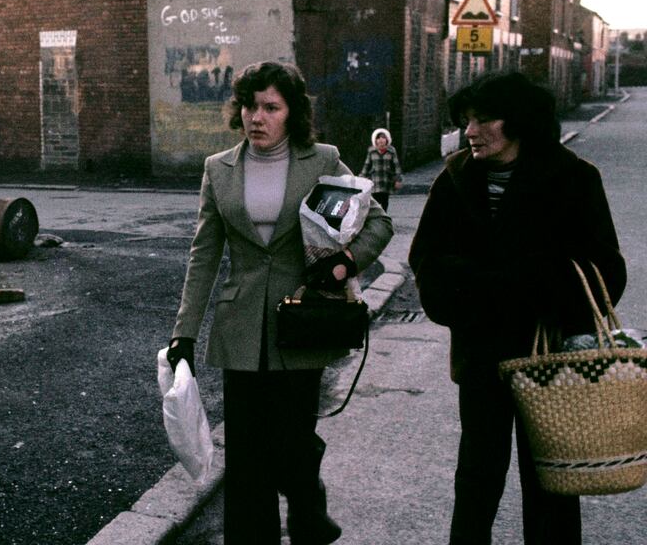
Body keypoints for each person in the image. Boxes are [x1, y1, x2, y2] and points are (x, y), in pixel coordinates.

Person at [167, 61, 393, 543]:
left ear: (292, 113)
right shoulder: (219, 169)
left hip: (303, 323)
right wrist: (183, 331)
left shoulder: (324, 161)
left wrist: (343, 264)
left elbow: (378, 223)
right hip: (240, 328)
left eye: (271, 107)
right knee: (247, 458)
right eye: (250, 105)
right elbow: (204, 254)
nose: (258, 116)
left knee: (292, 444)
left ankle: (308, 510)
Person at [408, 71, 625, 544]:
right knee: (476, 481)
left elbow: (608, 270)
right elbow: (425, 260)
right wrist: (470, 294)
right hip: (481, 355)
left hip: (548, 358)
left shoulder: (573, 178)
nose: (470, 131)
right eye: (467, 120)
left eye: (484, 119)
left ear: (520, 121)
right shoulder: (454, 179)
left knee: (550, 486)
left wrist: (528, 282)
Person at [359, 128, 402, 211]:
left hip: (387, 180)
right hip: (375, 180)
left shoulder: (391, 151)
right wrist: (362, 177)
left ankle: (384, 217)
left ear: (387, 139)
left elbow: (396, 166)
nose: (381, 140)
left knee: (385, 201)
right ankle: (378, 218)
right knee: (376, 201)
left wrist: (398, 180)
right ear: (375, 140)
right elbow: (367, 165)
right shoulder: (371, 151)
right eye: (378, 138)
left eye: (383, 137)